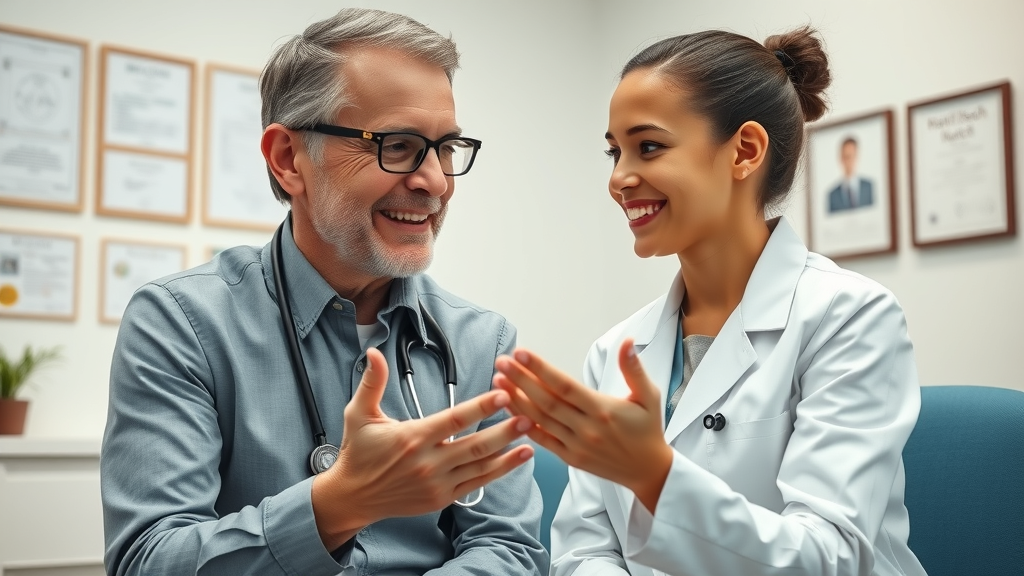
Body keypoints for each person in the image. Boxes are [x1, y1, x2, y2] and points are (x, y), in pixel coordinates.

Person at [101, 8, 547, 576]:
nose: (434, 181)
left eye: (446, 148)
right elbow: (148, 561)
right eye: (399, 145)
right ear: (289, 160)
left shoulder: (482, 341)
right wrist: (342, 501)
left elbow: (508, 551)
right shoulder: (182, 323)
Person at [493, 27, 926, 576]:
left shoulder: (850, 317)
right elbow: (585, 553)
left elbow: (828, 559)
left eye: (648, 146)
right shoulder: (616, 351)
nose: (619, 178)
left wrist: (656, 477)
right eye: (614, 151)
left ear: (744, 151)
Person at [827, 136, 875, 212]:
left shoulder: (868, 187)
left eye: (851, 156)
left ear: (856, 157)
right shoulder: (833, 195)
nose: (849, 161)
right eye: (846, 157)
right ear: (841, 159)